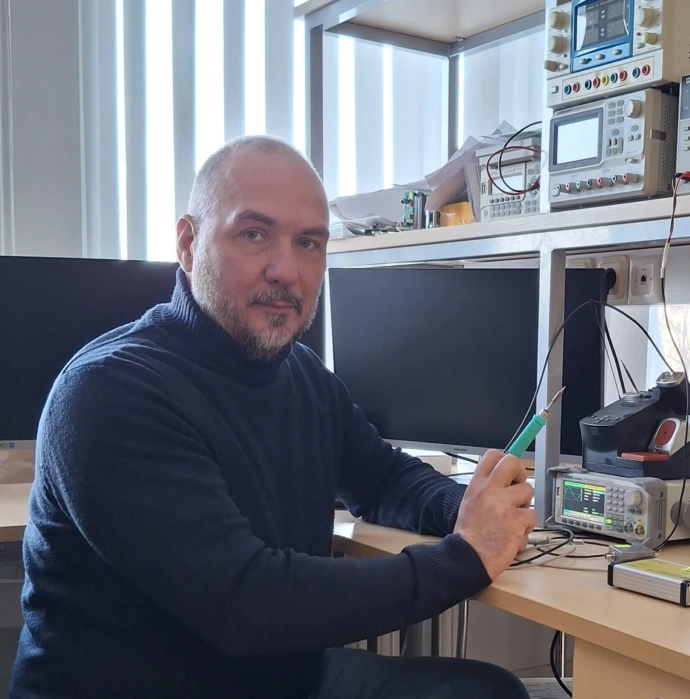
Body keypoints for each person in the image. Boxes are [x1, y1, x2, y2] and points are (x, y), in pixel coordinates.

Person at [11, 135, 536, 699]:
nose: (286, 270)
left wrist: (474, 510)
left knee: (485, 693)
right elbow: (245, 604)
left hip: (278, 678)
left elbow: (382, 478)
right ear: (188, 244)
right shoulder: (111, 391)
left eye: (308, 243)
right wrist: (463, 558)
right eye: (254, 234)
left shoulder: (299, 373)